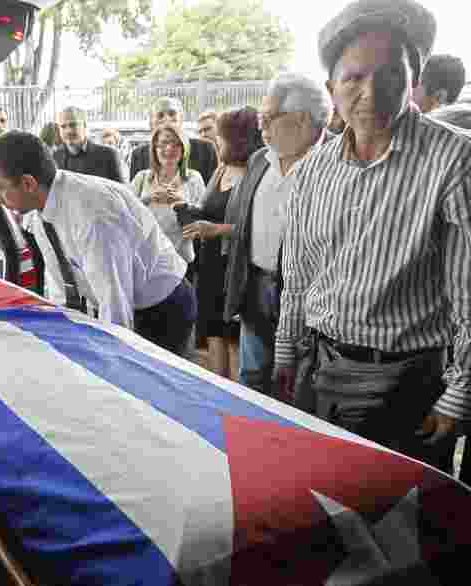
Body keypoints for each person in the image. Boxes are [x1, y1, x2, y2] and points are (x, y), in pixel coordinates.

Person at [275, 0, 471, 475]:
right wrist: (286, 350)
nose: (371, 91)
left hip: (406, 381)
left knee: (398, 528)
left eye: (390, 75)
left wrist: (460, 394)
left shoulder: (453, 161)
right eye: (354, 78)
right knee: (320, 511)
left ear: (414, 80)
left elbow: (469, 295)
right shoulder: (311, 172)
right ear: (331, 88)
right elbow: (300, 277)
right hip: (318, 370)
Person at [0, 132, 197, 356]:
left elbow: (115, 306)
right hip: (120, 301)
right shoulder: (42, 207)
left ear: (28, 183)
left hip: (161, 309)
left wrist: (113, 363)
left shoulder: (94, 215)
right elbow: (62, 283)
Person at [218, 74, 331, 396]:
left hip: (306, 301)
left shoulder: (336, 166)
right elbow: (245, 224)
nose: (261, 127)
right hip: (254, 290)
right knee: (252, 380)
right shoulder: (259, 160)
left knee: (295, 388)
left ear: (302, 120)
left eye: (268, 119)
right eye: (260, 118)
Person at [180, 107, 264, 379]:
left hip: (236, 268)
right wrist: (183, 208)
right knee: (214, 333)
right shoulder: (220, 170)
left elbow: (260, 227)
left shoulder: (257, 171)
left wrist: (217, 229)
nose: (216, 139)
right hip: (210, 265)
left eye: (222, 136)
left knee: (234, 339)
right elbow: (207, 210)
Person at [130, 124, 206, 265]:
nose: (169, 148)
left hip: (182, 259)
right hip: (146, 260)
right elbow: (126, 213)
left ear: (184, 149)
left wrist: (181, 203)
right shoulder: (142, 178)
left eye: (176, 144)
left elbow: (203, 219)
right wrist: (149, 198)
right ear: (154, 148)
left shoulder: (194, 178)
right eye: (163, 143)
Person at [129, 97, 220, 184]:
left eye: (172, 114)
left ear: (181, 119)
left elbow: (213, 192)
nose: (167, 119)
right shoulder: (139, 155)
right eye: (160, 115)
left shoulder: (205, 149)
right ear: (151, 123)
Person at [53, 106, 126, 183]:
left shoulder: (108, 155)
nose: (68, 131)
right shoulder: (56, 157)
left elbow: (120, 193)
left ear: (84, 126)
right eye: (63, 126)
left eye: (73, 125)